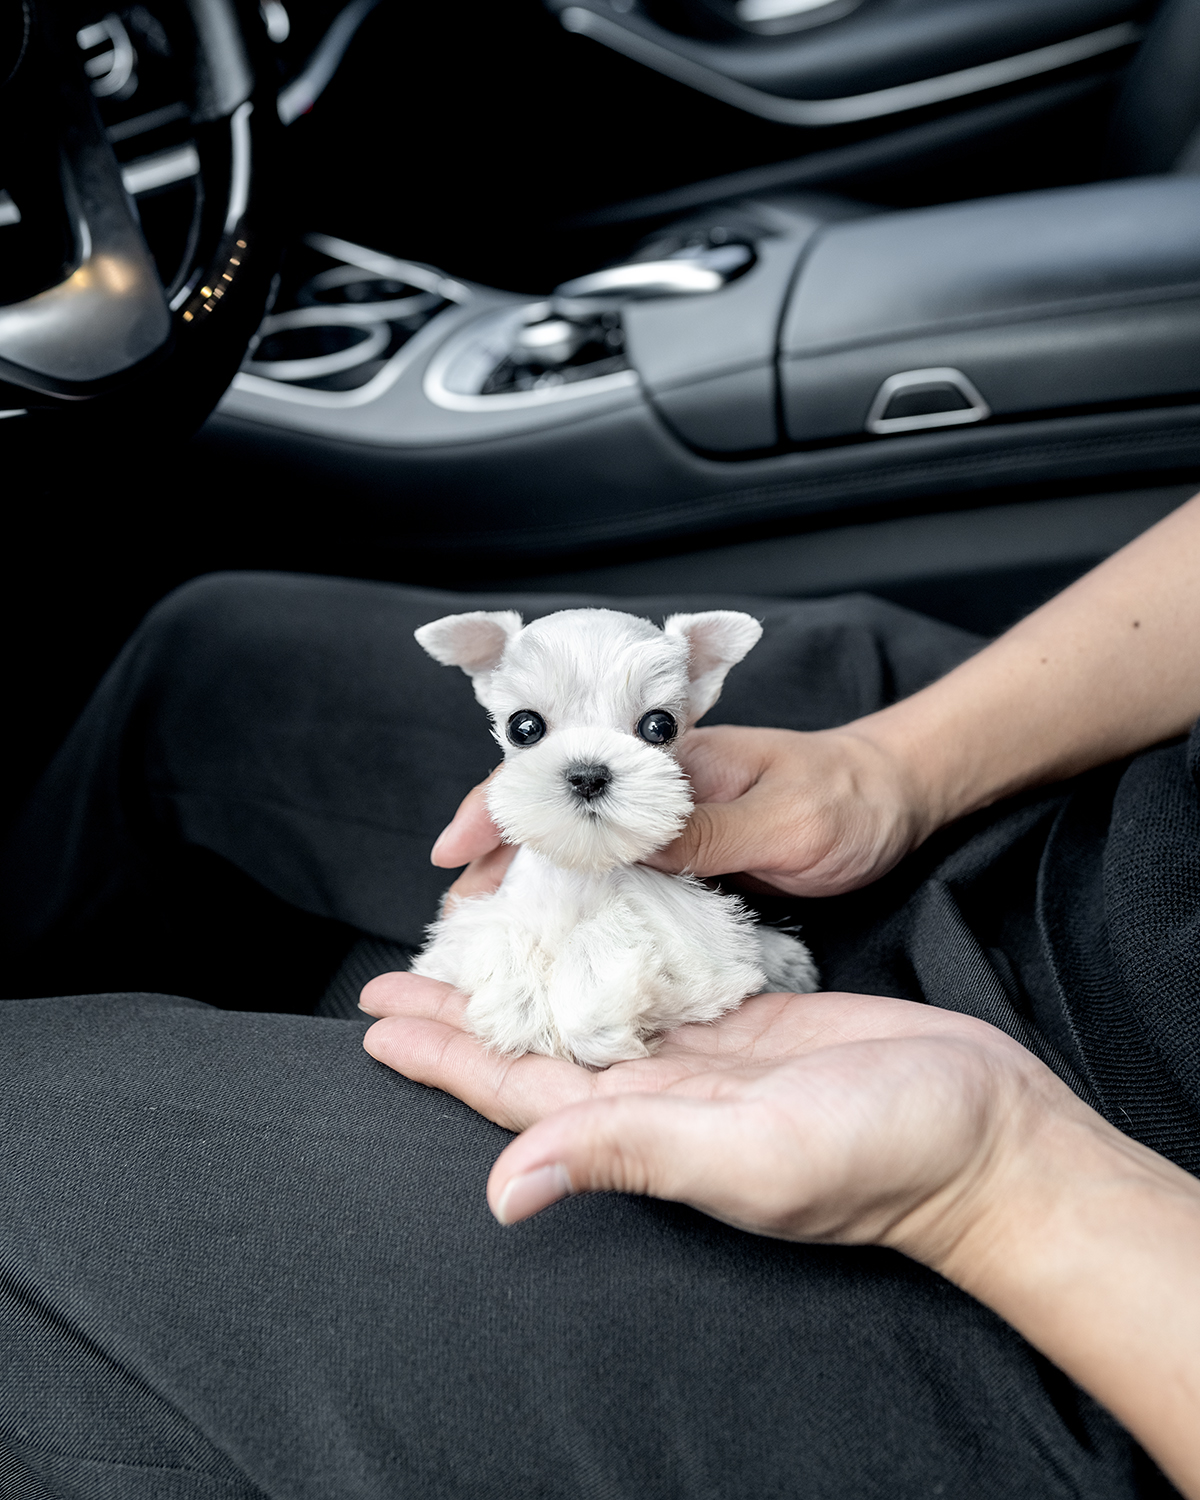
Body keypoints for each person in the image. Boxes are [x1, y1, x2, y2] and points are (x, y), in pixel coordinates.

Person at [2, 495, 1200, 1498]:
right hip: (1086, 823)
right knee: (207, 667)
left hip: (1106, 1283)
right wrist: (896, 768)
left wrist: (1004, 1181)